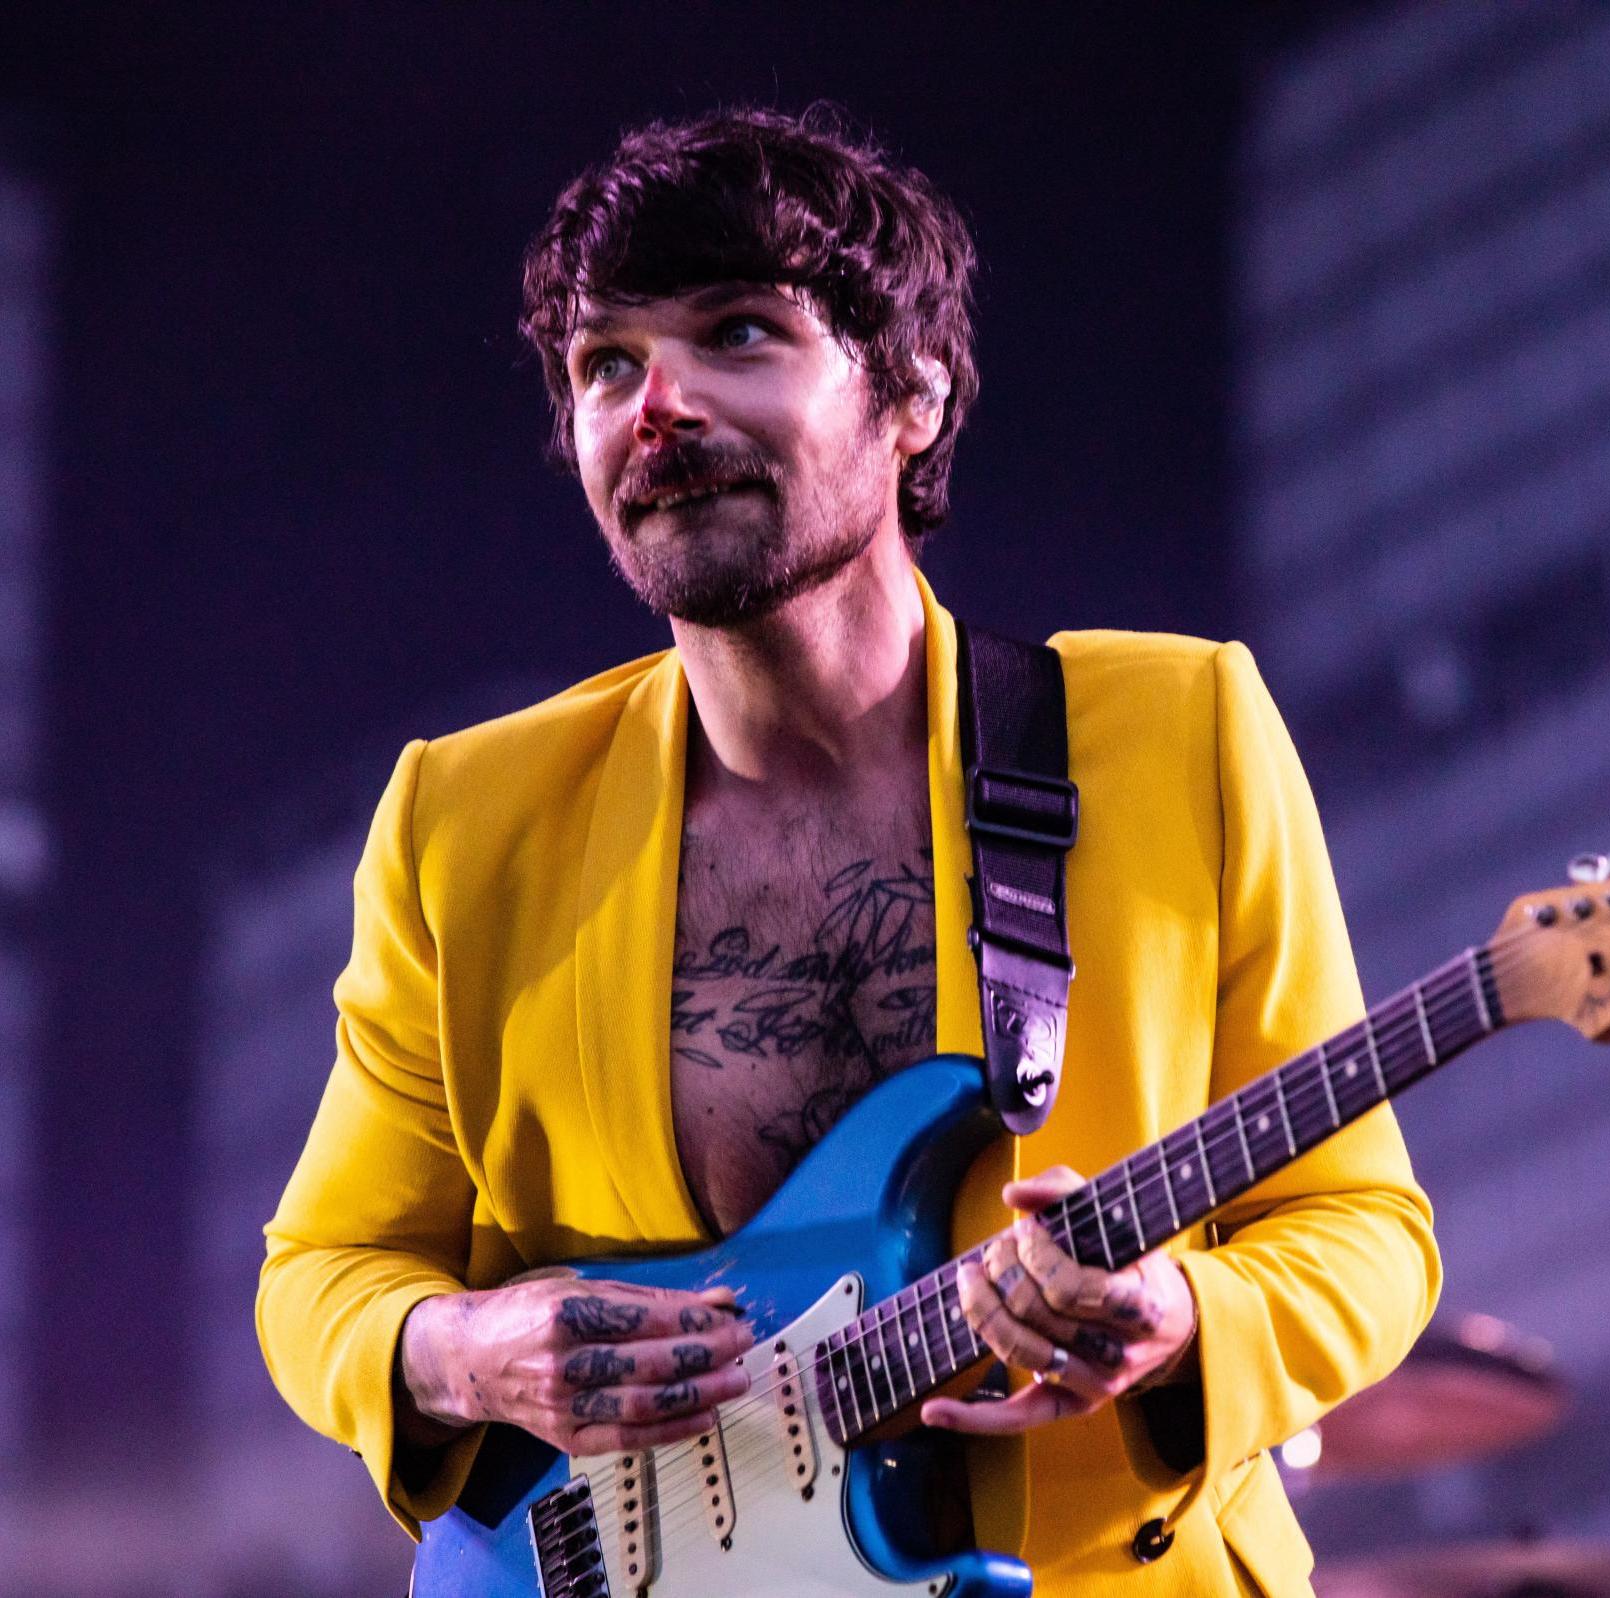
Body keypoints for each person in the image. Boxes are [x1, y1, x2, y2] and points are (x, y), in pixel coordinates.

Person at [257, 106, 1438, 1596]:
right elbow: (320, 1274)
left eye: (738, 332)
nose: (656, 404)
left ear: (915, 397)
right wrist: (465, 1348)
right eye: (604, 364)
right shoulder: (467, 817)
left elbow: (1361, 1223)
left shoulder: (1174, 730)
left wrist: (1188, 1314)